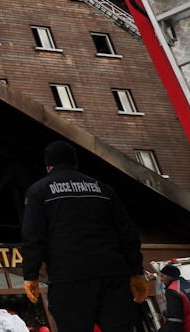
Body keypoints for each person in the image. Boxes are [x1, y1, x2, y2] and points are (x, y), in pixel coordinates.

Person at [20, 140, 150, 332]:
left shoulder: (40, 191)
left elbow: (33, 236)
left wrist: (31, 274)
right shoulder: (103, 189)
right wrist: (136, 271)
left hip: (69, 279)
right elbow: (128, 235)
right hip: (112, 276)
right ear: (75, 164)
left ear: (48, 166)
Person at [159, 265, 190, 332]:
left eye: (162, 276)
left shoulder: (173, 290)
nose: (161, 279)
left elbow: (175, 320)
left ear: (170, 276)